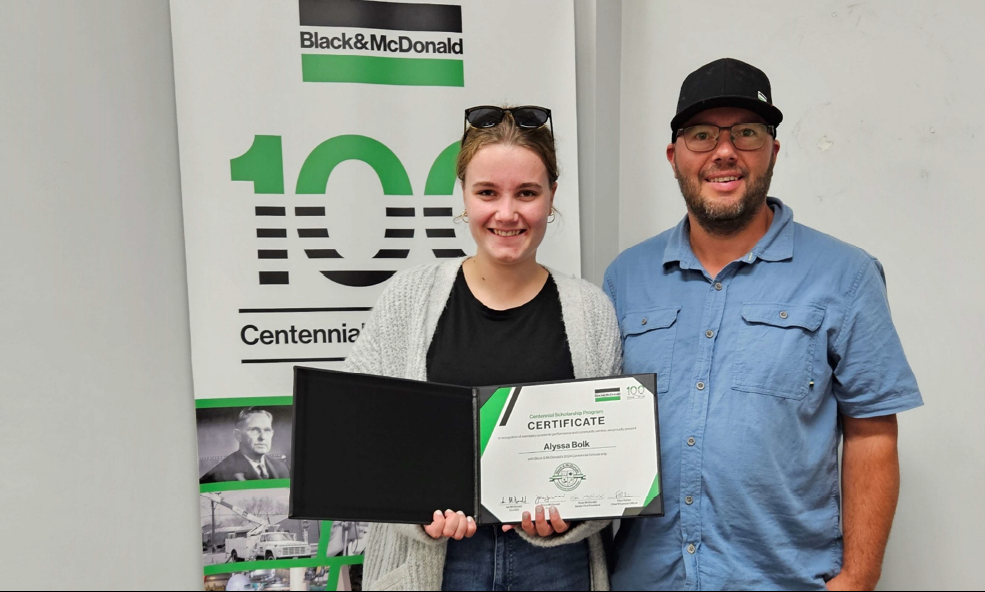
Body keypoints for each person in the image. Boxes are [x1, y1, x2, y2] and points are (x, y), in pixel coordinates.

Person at [604, 58, 924, 591]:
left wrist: (859, 579)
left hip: (784, 581)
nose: (724, 151)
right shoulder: (625, 278)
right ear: (674, 156)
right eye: (702, 135)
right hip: (645, 579)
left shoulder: (844, 275)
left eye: (746, 133)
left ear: (772, 151)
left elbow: (871, 431)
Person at [343, 106, 620, 591]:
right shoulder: (409, 300)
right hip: (436, 564)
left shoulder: (591, 311)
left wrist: (573, 520)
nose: (507, 213)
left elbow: (611, 458)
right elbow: (359, 432)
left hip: (557, 568)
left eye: (527, 193)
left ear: (551, 197)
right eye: (487, 192)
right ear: (465, 196)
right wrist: (417, 513)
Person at [200, 407, 289, 483]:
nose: (262, 437)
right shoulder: (218, 476)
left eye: (267, 430)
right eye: (254, 430)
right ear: (238, 435)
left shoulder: (284, 468)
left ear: (272, 433)